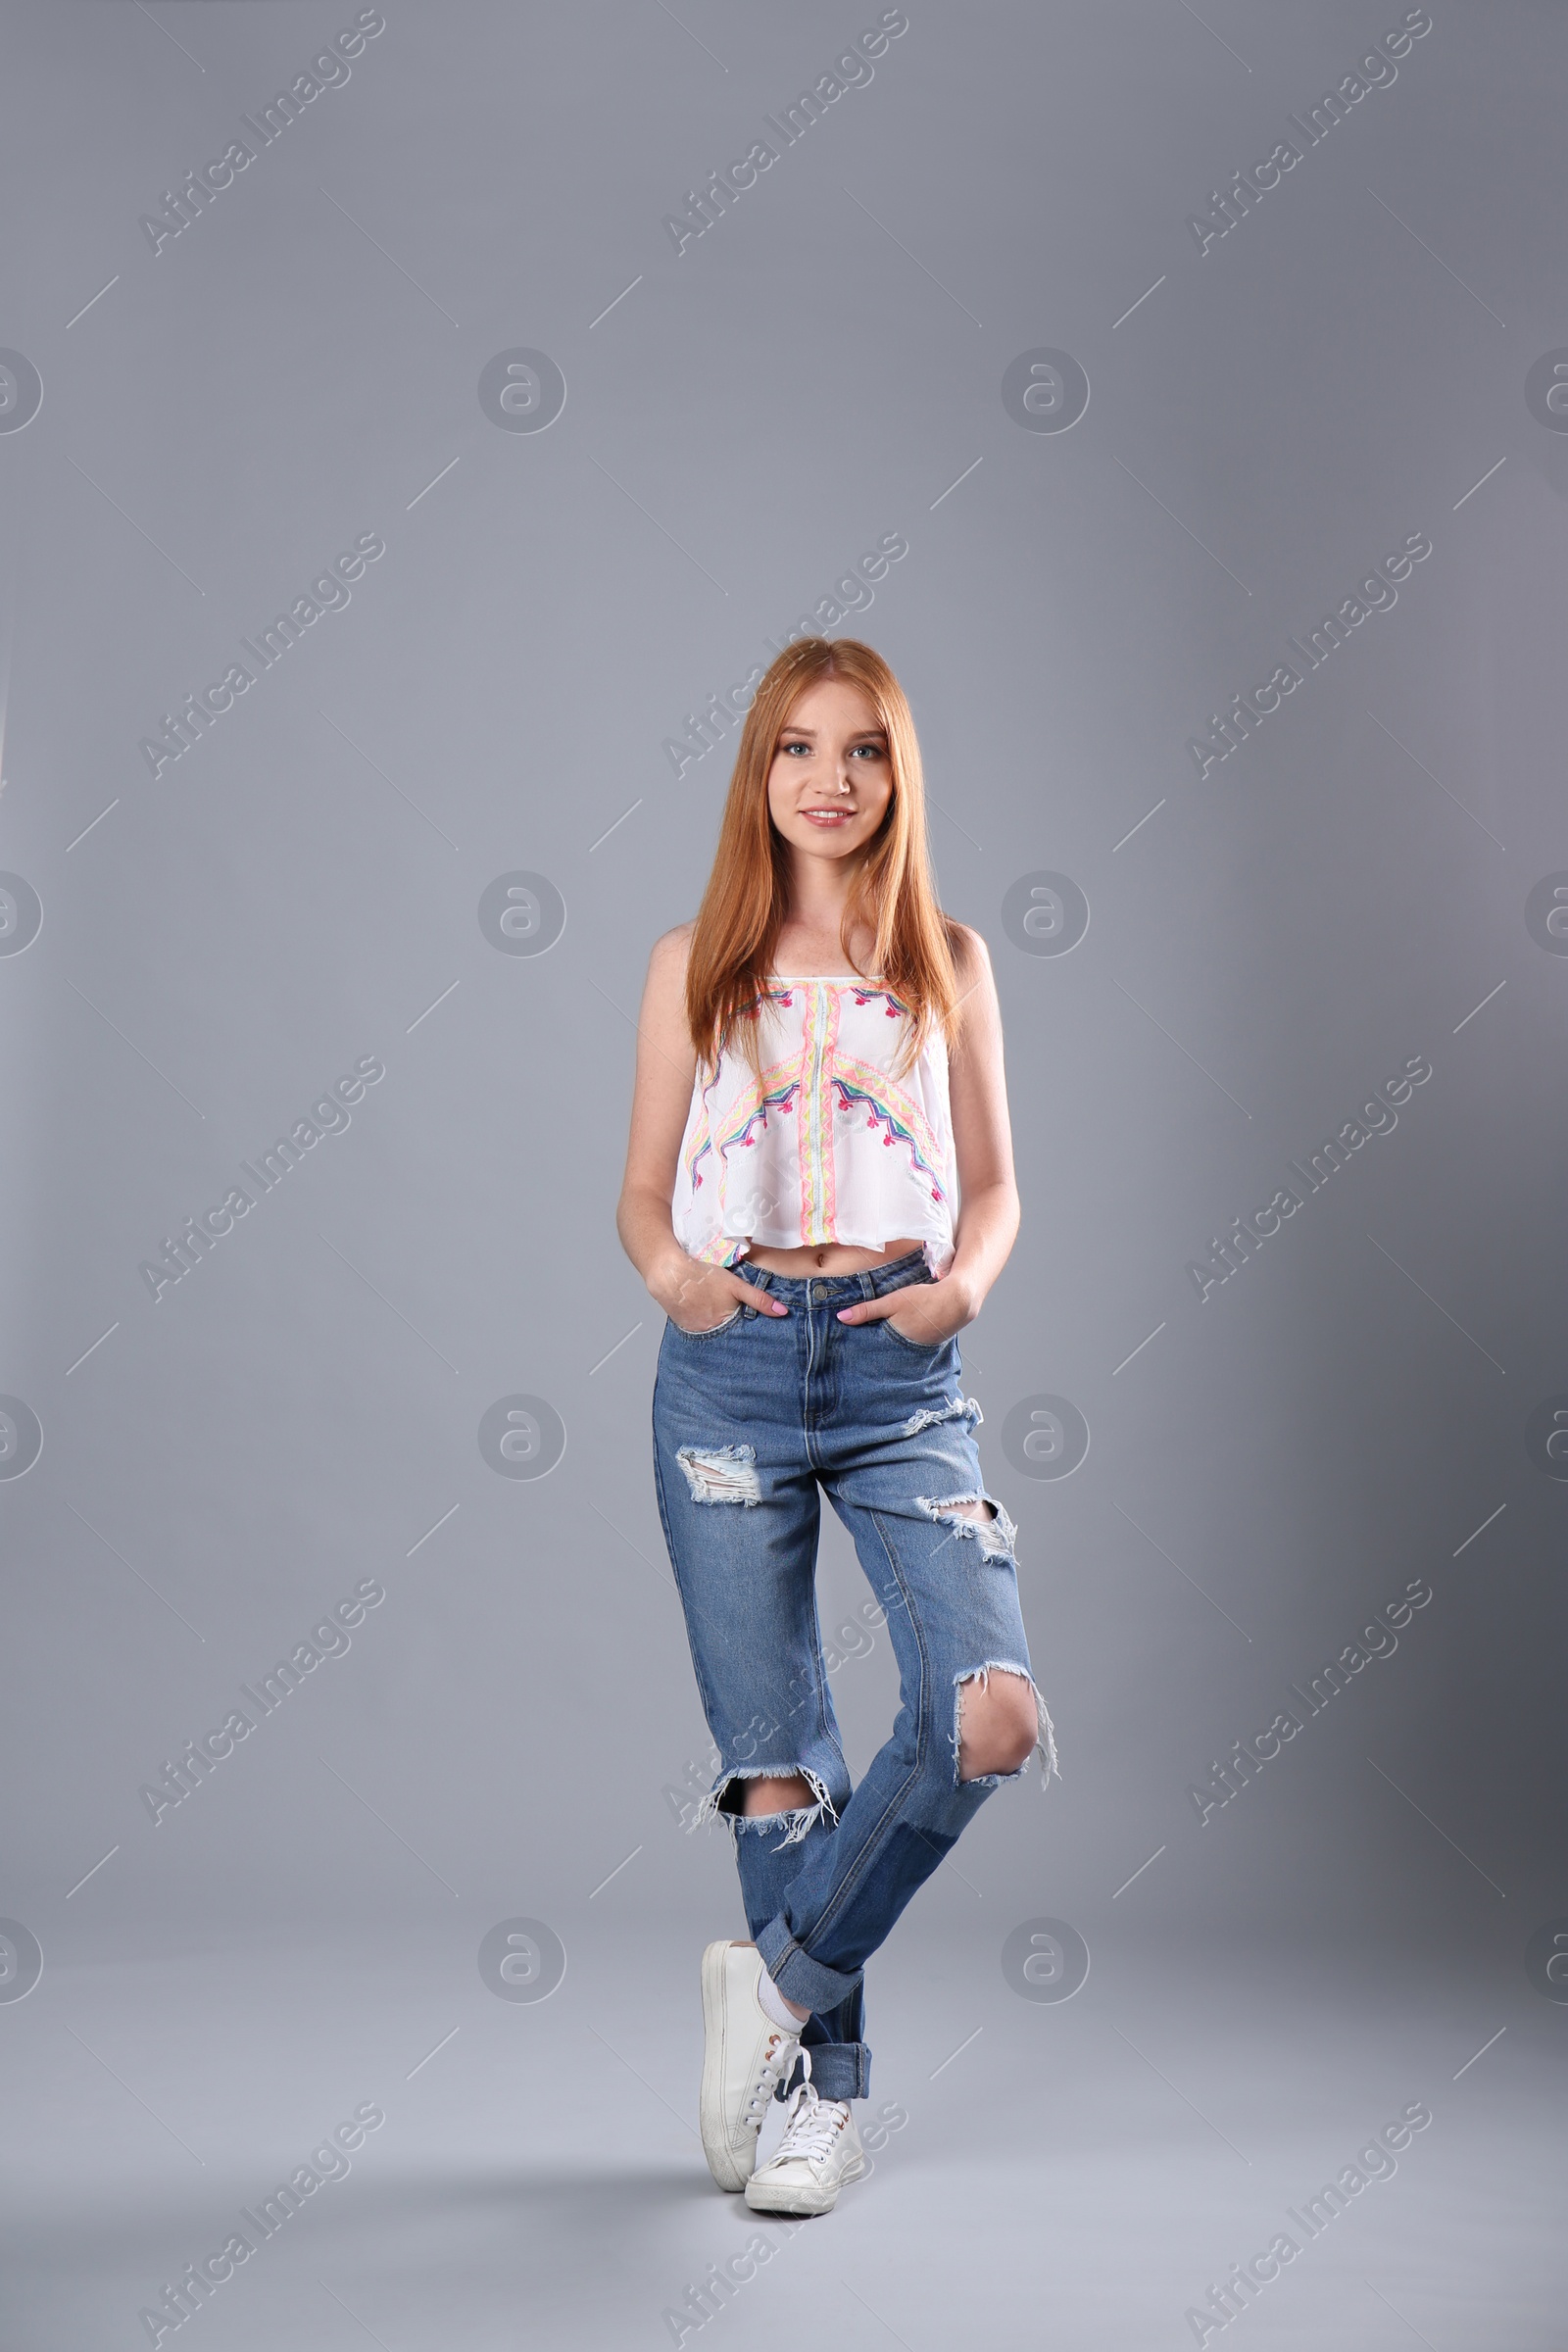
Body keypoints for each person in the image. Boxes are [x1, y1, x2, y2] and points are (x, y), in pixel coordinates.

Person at [616, 635, 1057, 2219]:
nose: (831, 779)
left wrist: (964, 1292)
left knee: (983, 1710)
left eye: (863, 750)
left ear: (898, 774)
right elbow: (641, 1190)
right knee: (777, 1771)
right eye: (799, 748)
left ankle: (778, 1985)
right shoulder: (694, 963)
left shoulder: (947, 958)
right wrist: (675, 1277)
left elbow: (997, 1186)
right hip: (730, 1373)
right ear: (760, 771)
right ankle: (817, 2100)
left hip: (897, 1369)